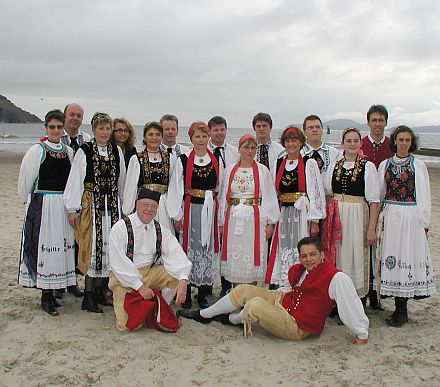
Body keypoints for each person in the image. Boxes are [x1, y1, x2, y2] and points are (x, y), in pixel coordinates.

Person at [178, 237, 369, 344]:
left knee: (254, 305)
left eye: (313, 255)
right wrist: (275, 296)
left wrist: (361, 333)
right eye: (304, 256)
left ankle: (231, 319)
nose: (308, 259)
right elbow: (291, 288)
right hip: (283, 301)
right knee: (244, 289)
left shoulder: (336, 277)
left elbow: (350, 305)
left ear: (322, 255)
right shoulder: (303, 269)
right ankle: (203, 315)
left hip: (298, 325)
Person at [64, 112, 126, 313]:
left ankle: (101, 291)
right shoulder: (85, 150)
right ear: (93, 130)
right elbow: (75, 179)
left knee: (110, 247)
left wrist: (123, 207)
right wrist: (72, 209)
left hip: (112, 205)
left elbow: (122, 181)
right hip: (92, 203)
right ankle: (88, 295)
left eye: (108, 128)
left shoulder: (116, 151)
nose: (105, 132)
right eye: (101, 128)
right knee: (93, 248)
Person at [376, 125, 436, 327]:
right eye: (400, 140)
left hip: (411, 216)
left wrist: (424, 222)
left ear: (412, 143)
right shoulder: (385, 165)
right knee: (391, 256)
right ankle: (395, 303)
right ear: (394, 142)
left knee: (407, 255)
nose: (403, 144)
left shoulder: (417, 165)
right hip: (391, 215)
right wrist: (379, 221)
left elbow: (424, 194)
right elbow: (380, 192)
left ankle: (402, 308)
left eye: (407, 140)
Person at [18, 109, 75, 316]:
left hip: (61, 205)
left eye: (59, 127)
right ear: (46, 127)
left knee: (59, 249)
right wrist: (27, 201)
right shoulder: (37, 151)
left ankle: (53, 292)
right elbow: (26, 180)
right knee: (45, 248)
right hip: (43, 204)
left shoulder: (68, 152)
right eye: (52, 127)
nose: (56, 130)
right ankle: (45, 296)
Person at [108, 188, 192, 331]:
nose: (149, 210)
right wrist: (140, 287)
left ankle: (157, 308)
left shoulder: (159, 228)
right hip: (124, 278)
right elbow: (119, 264)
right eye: (145, 205)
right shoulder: (120, 228)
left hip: (149, 273)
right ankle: (141, 304)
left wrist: (183, 280)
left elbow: (175, 253)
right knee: (126, 326)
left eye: (153, 206)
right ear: (137, 205)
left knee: (177, 277)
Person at [167, 122, 220, 309]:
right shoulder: (183, 159)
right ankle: (187, 292)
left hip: (209, 209)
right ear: (191, 138)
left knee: (207, 248)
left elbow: (218, 187)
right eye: (197, 136)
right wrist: (177, 215)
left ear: (208, 138)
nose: (201, 139)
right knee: (188, 249)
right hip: (191, 208)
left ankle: (204, 292)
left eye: (204, 136)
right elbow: (175, 188)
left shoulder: (215, 159)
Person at [266, 126, 326, 289]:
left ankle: (300, 281)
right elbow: (272, 193)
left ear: (301, 142)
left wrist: (314, 221)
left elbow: (316, 192)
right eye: (288, 141)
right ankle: (282, 281)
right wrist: (270, 220)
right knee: (282, 246)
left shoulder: (309, 163)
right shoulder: (278, 163)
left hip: (301, 214)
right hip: (283, 212)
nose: (291, 144)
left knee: (301, 245)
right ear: (284, 143)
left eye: (294, 140)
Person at [324, 128, 379, 300]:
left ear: (360, 143)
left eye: (356, 141)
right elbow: (328, 194)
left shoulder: (367, 167)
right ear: (343, 143)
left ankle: (357, 300)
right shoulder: (334, 166)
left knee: (355, 253)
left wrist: (371, 229)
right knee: (338, 254)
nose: (352, 144)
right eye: (349, 141)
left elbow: (374, 201)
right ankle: (339, 299)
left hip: (357, 214)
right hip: (338, 214)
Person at [218, 134, 280, 285]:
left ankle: (250, 294)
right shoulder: (230, 170)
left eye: (253, 147)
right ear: (239, 149)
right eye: (246, 147)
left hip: (254, 219)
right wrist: (221, 221)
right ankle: (236, 293)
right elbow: (223, 197)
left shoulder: (262, 170)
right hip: (233, 218)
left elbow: (270, 197)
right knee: (234, 256)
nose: (250, 151)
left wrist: (270, 222)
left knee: (252, 254)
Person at [360, 105, 393, 310]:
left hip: (387, 204)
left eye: (381, 120)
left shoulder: (392, 145)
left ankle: (378, 294)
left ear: (386, 122)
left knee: (381, 249)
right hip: (363, 204)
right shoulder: (359, 144)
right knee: (365, 248)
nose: (378, 124)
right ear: (368, 122)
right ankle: (365, 291)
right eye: (374, 120)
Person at [58, 103, 91, 299]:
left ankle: (72, 282)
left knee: (77, 241)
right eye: (72, 115)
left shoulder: (86, 140)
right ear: (65, 116)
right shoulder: (55, 138)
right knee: (60, 241)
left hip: (81, 198)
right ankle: (57, 284)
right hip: (57, 195)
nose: (75, 118)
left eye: (79, 115)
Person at [207, 115, 239, 295]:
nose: (219, 133)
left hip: (231, 203)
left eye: (222, 129)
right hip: (209, 200)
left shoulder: (235, 152)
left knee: (229, 243)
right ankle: (208, 284)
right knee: (211, 243)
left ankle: (226, 287)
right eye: (215, 129)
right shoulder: (202, 151)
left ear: (226, 130)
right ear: (209, 131)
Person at [123, 121, 174, 232]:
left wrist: (174, 212)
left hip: (163, 205)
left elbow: (173, 186)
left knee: (163, 235)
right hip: (144, 204)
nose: (154, 138)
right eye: (151, 134)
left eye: (157, 134)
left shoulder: (169, 158)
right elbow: (130, 187)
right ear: (145, 137)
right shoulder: (137, 159)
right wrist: (127, 211)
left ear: (161, 137)